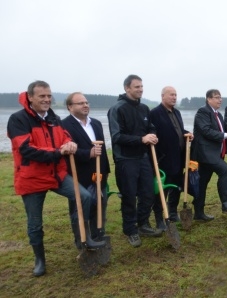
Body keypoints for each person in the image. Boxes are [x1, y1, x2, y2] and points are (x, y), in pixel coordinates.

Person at [7, 81, 104, 277]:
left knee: (84, 196)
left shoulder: (54, 119)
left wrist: (70, 144)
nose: (47, 99)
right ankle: (40, 259)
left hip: (56, 175)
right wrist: (58, 151)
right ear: (30, 97)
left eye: (49, 96)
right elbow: (26, 149)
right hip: (32, 178)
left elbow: (65, 137)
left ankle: (84, 239)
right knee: (35, 223)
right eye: (42, 96)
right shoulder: (18, 120)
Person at [108, 74, 162, 248]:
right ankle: (130, 230)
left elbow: (150, 127)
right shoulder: (117, 109)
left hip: (144, 158)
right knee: (129, 196)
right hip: (126, 159)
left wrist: (152, 134)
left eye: (141, 86)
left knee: (148, 193)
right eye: (136, 86)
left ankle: (143, 224)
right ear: (127, 88)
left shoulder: (144, 108)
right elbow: (117, 137)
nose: (140, 89)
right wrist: (141, 139)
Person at [62, 92, 111, 246]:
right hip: (79, 174)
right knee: (80, 208)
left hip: (99, 173)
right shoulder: (64, 126)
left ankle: (97, 235)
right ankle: (82, 240)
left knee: (99, 204)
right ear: (70, 107)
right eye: (80, 103)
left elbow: (101, 152)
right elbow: (65, 150)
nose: (85, 105)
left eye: (87, 102)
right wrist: (87, 154)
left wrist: (105, 170)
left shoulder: (95, 123)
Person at [190, 89, 227, 221]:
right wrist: (225, 135)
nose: (220, 100)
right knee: (225, 170)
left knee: (202, 183)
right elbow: (206, 130)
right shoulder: (203, 112)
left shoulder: (218, 114)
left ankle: (199, 213)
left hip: (214, 154)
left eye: (220, 97)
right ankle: (225, 203)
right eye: (217, 97)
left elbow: (220, 130)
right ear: (208, 99)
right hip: (204, 153)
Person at [149, 86, 193, 229]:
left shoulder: (177, 112)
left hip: (179, 157)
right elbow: (154, 133)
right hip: (164, 158)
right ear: (163, 96)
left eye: (175, 95)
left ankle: (173, 212)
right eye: (171, 95)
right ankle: (159, 219)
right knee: (163, 190)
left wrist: (187, 133)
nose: (174, 97)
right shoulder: (155, 113)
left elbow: (177, 130)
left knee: (177, 187)